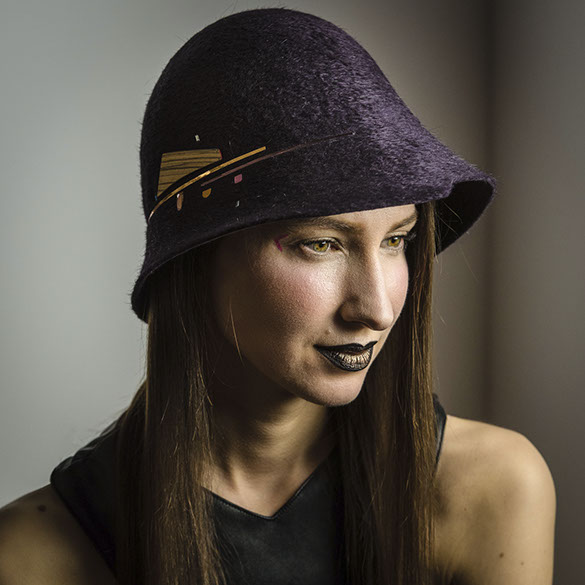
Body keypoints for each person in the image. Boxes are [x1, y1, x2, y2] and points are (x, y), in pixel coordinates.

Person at [0, 7, 555, 585]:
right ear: (197, 257)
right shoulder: (31, 557)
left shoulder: (493, 489)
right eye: (321, 244)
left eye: (397, 240)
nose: (377, 309)